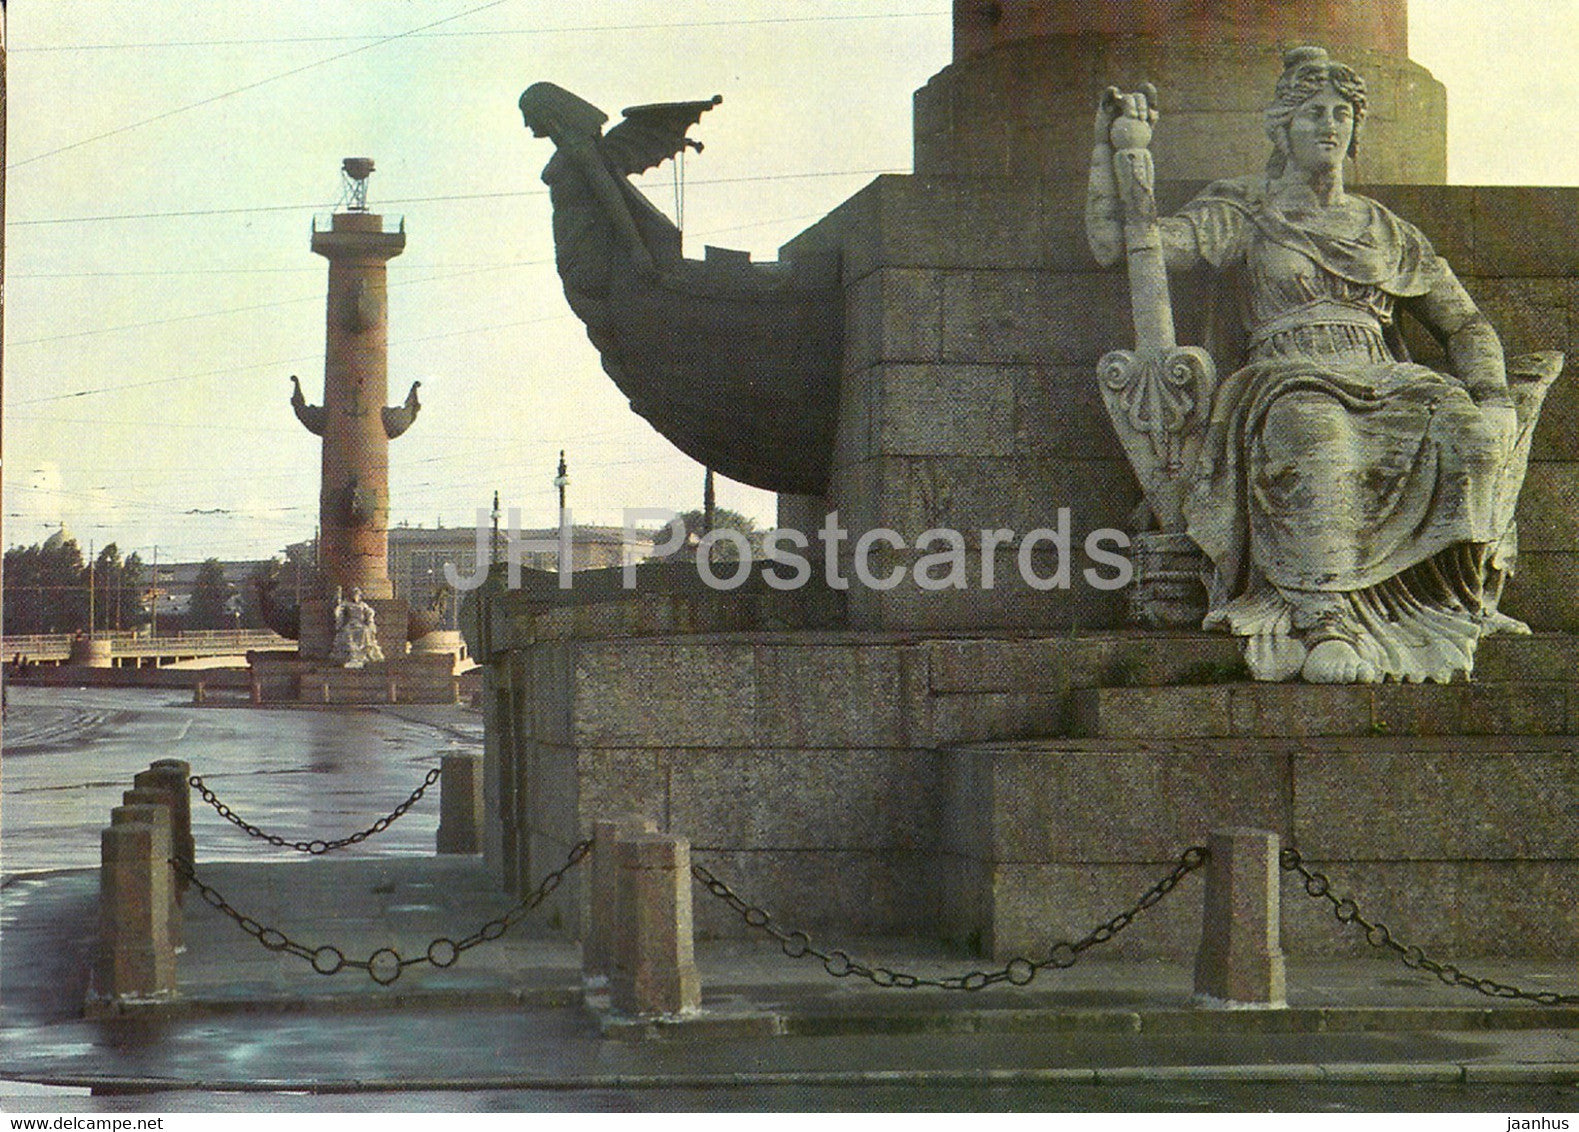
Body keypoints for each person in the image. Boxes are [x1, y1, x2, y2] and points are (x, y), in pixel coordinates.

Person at [1086, 47, 1548, 684]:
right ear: (1282, 129)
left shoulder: (1387, 231)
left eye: (1341, 113)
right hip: (1286, 372)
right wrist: (1116, 155)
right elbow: (1124, 244)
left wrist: (1493, 394)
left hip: (1386, 376)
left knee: (1466, 431)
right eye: (1311, 114)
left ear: (1356, 129)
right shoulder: (1248, 211)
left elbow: (1464, 324)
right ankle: (1321, 615)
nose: (1329, 126)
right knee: (1314, 434)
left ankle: (1454, 600)